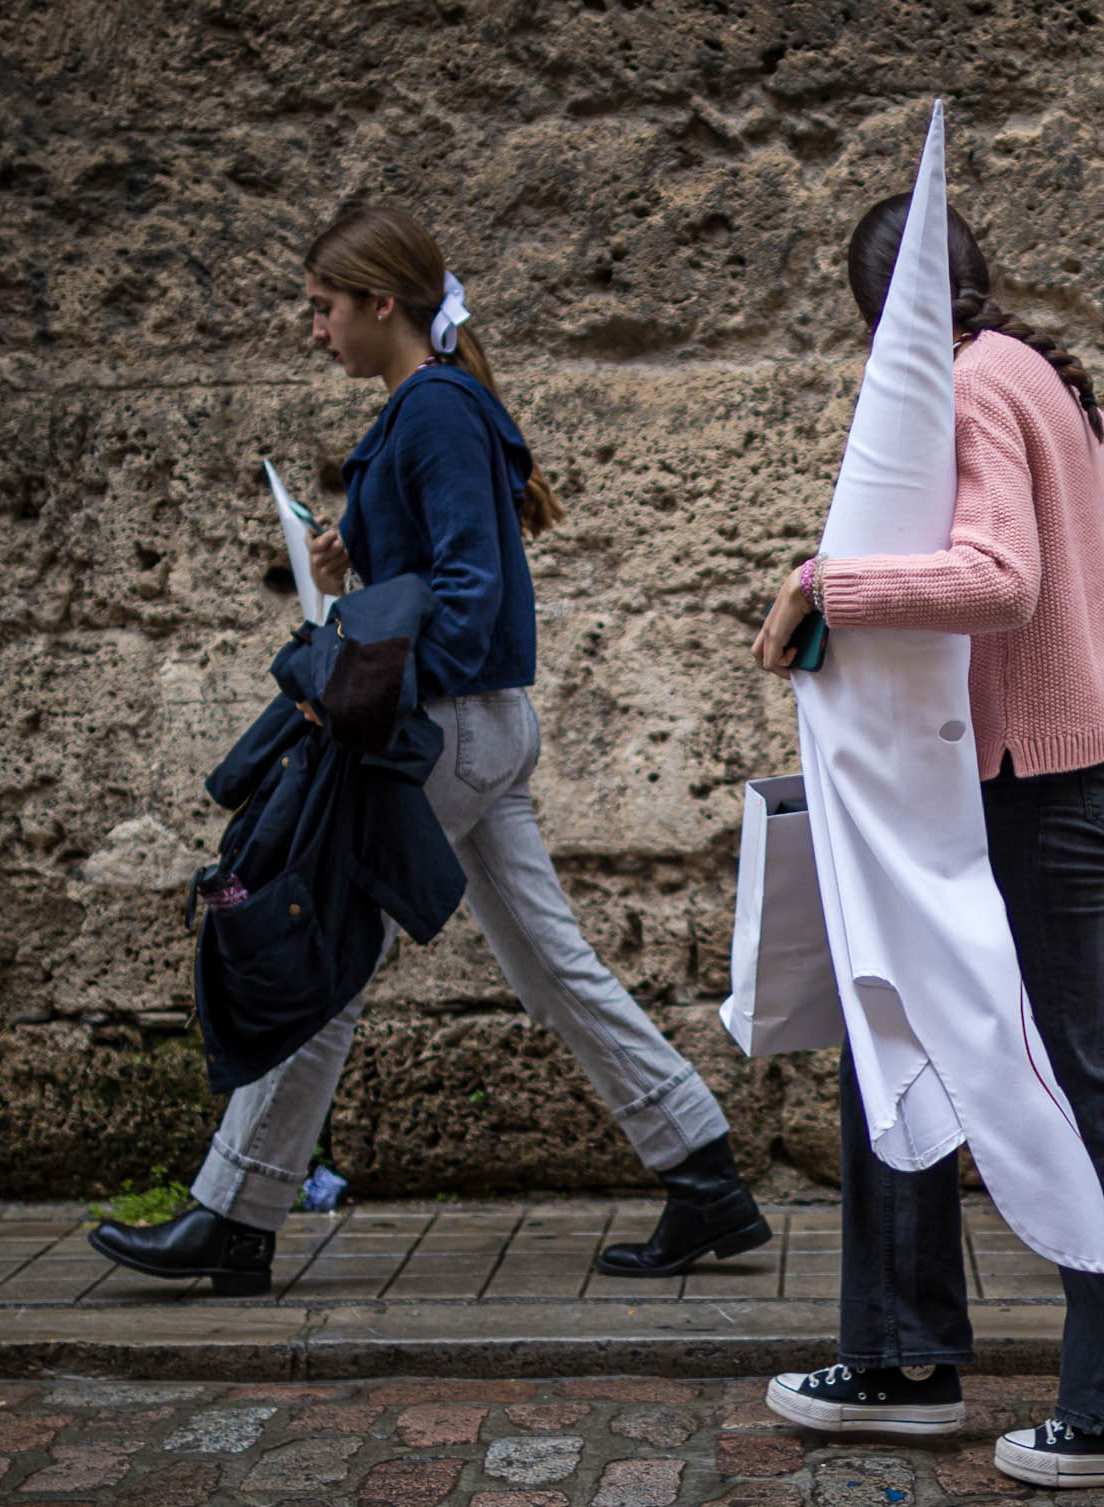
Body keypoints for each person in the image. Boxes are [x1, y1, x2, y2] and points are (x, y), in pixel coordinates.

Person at [91, 205, 763, 1297]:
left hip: (441, 731)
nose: (317, 333)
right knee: (551, 965)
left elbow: (467, 595)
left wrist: (357, 686)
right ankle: (705, 1174)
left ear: (381, 304)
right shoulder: (428, 411)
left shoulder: (435, 410)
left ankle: (234, 1212)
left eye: (324, 310)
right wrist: (359, 545)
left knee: (318, 946)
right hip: (476, 727)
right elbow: (446, 567)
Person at [749, 195, 1104, 1489]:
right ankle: (900, 1355)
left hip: (1036, 792)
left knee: (1072, 1083)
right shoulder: (1051, 379)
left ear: (880, 312)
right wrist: (1101, 690)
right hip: (1071, 775)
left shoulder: (966, 384)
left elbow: (999, 578)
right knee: (904, 1033)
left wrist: (824, 584)